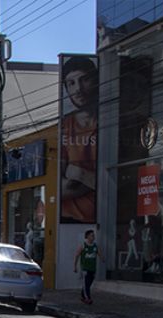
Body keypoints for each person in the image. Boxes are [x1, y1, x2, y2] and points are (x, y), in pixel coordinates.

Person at [60, 56, 98, 224]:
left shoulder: (111, 123)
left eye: (85, 80)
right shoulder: (64, 126)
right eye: (71, 83)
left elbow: (117, 181)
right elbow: (62, 188)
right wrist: (94, 180)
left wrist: (78, 173)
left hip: (102, 219)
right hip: (67, 218)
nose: (79, 90)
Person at [74, 229, 102, 304]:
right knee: (86, 284)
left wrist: (102, 259)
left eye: (94, 236)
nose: (93, 237)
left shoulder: (95, 246)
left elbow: (99, 254)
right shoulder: (83, 245)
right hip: (85, 269)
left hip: (93, 268)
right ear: (87, 237)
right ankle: (88, 298)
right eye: (92, 236)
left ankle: (83, 295)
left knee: (89, 284)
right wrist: (75, 266)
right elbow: (77, 255)